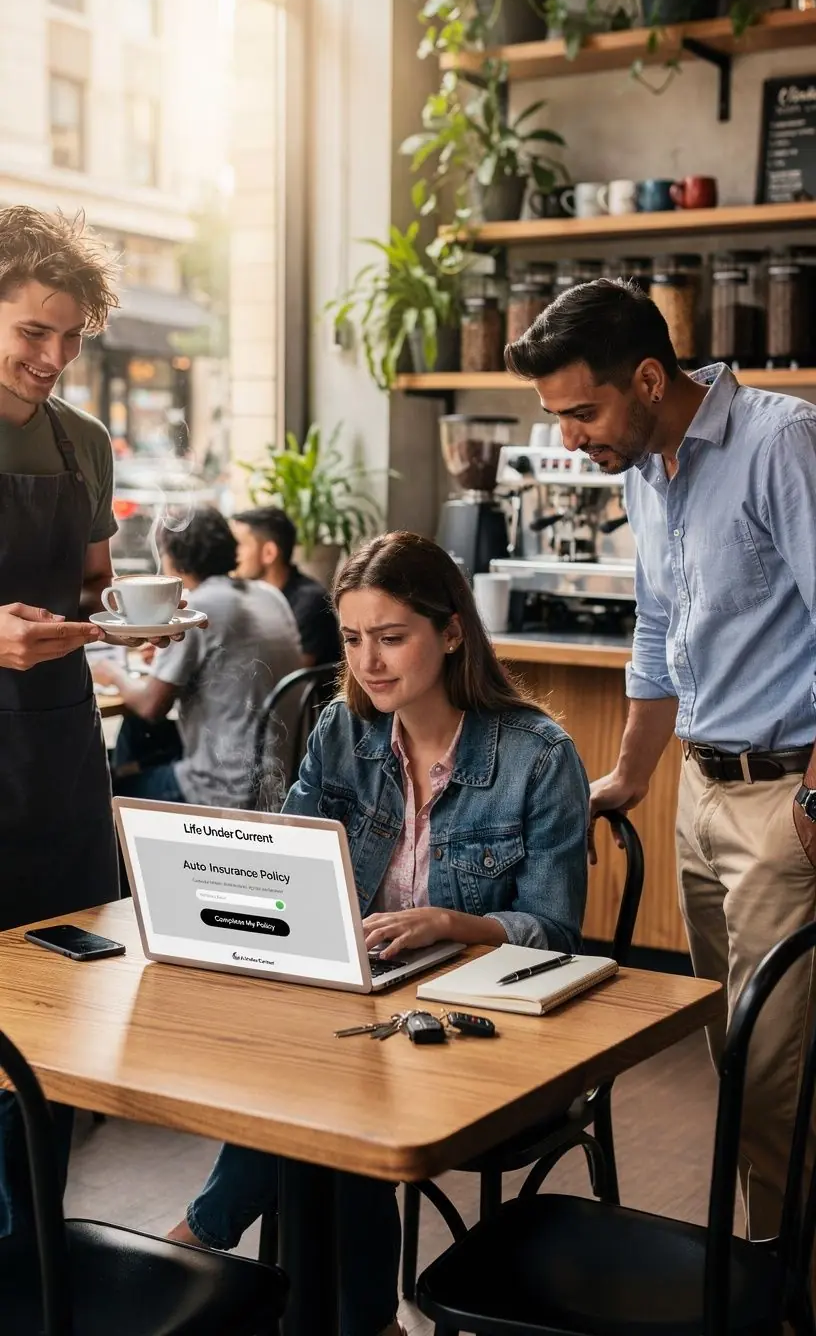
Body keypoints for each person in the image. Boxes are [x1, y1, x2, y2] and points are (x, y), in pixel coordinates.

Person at [166, 530, 590, 1336]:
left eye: (392, 638)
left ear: (452, 630)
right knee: (327, 1083)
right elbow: (290, 862)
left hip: (490, 1042)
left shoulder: (539, 755)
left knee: (325, 1093)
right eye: (354, 639)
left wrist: (455, 924)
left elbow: (560, 935)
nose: (369, 662)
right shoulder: (342, 732)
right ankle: (363, 1323)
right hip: (361, 1018)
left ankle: (203, 1248)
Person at [505, 277, 816, 1249]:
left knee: (778, 1083)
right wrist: (631, 775)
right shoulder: (647, 466)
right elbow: (657, 628)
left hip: (786, 800)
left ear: (647, 377)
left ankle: (780, 1304)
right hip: (701, 790)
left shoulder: (781, 442)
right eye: (556, 418)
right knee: (742, 1064)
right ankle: (763, 1279)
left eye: (581, 411)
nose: (570, 439)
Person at [0, 206, 129, 1245]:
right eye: (34, 333)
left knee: (60, 1014)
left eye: (71, 336)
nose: (54, 357)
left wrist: (126, 620)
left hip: (54, 754)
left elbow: (92, 580)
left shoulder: (85, 442)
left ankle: (40, 1243)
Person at [95, 507, 302, 809]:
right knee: (136, 732)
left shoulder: (197, 609)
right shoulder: (267, 594)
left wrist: (110, 671)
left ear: (172, 558)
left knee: (107, 789)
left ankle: (137, 840)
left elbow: (151, 705)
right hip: (281, 778)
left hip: (224, 791)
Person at [231, 505, 341, 666]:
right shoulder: (250, 597)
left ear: (269, 552)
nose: (233, 553)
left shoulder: (310, 602)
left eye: (239, 544)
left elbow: (288, 674)